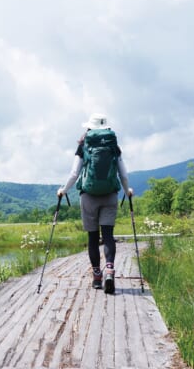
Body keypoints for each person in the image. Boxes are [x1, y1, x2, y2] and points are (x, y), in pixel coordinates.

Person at [57, 113, 133, 294]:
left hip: (89, 196)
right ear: (106, 128)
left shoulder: (83, 145)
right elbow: (123, 173)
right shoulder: (113, 146)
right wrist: (127, 190)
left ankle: (97, 277)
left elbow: (74, 174)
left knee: (92, 237)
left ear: (89, 128)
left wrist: (63, 190)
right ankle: (109, 270)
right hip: (110, 195)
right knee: (108, 235)